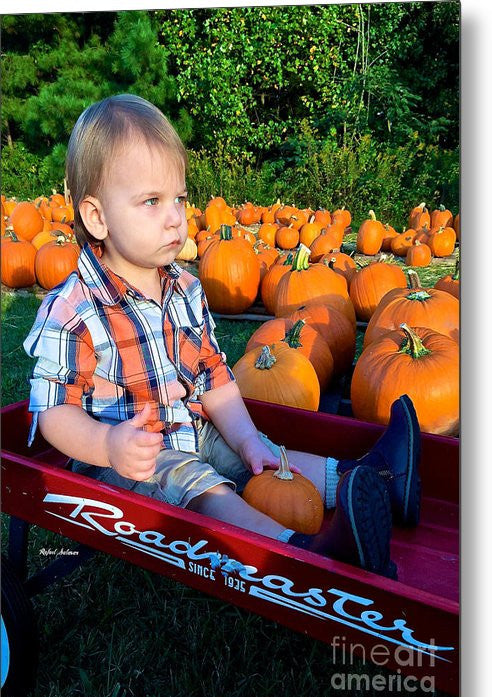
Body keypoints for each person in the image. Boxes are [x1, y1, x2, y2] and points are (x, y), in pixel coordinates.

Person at [23, 94, 421, 581]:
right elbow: (52, 412)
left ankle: (380, 479)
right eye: (152, 202)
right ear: (97, 218)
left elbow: (214, 378)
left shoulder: (185, 287)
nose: (176, 217)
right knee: (203, 485)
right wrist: (108, 445)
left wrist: (250, 439)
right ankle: (308, 552)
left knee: (261, 457)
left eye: (180, 199)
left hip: (194, 430)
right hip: (129, 462)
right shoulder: (73, 309)